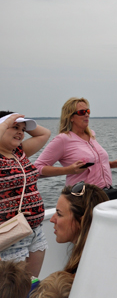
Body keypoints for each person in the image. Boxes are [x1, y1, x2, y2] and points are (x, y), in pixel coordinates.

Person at [34, 98, 117, 191]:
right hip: (83, 198)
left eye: (88, 111)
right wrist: (68, 170)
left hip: (104, 193)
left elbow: (92, 164)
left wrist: (112, 164)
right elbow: (38, 167)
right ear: (70, 117)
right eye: (81, 112)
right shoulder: (63, 139)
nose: (86, 115)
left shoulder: (91, 136)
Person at [0, 112, 51, 277]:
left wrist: (20, 123)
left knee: (31, 286)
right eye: (15, 127)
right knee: (12, 291)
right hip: (10, 235)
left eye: (23, 129)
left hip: (34, 231)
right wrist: (7, 120)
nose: (21, 132)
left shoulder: (19, 152)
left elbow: (45, 133)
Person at [50, 182, 108, 274]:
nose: (52, 219)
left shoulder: (86, 270)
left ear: (81, 222)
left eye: (59, 214)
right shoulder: (104, 255)